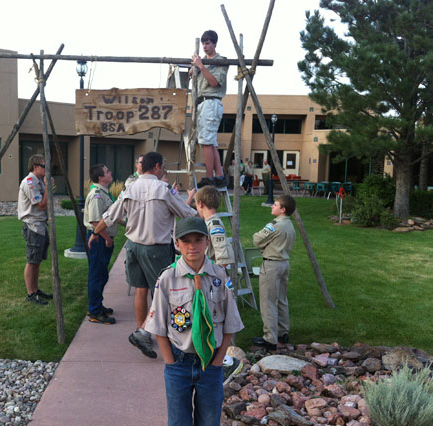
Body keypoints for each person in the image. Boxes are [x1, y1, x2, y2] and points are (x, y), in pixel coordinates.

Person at [89, 151, 197, 359]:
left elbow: (110, 215)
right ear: (156, 167)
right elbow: (186, 213)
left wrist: (95, 232)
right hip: (156, 249)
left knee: (140, 289)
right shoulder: (164, 189)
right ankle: (153, 333)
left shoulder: (130, 188)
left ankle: (143, 332)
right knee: (164, 294)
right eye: (163, 165)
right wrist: (203, 215)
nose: (164, 169)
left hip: (133, 247)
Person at [145, 217, 244, 425]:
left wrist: (218, 361)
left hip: (211, 362)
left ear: (207, 242)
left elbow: (231, 323)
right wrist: (169, 361)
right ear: (177, 244)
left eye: (198, 240)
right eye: (186, 241)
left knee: (209, 420)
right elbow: (159, 326)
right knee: (178, 421)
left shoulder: (219, 276)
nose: (192, 246)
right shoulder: (167, 278)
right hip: (179, 363)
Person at [251, 195, 297, 350]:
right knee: (282, 299)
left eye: (275, 205)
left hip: (271, 265)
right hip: (284, 263)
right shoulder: (290, 225)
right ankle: (283, 332)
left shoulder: (275, 225)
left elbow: (257, 239)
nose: (272, 206)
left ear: (282, 209)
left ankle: (270, 338)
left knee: (268, 301)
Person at [190, 30, 229, 188]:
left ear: (214, 44)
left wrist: (201, 66)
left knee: (206, 141)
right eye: (203, 43)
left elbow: (214, 82)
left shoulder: (221, 61)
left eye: (208, 43)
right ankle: (218, 175)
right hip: (202, 102)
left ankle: (210, 177)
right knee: (210, 142)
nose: (205, 46)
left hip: (211, 101)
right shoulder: (201, 61)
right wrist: (195, 69)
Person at [18, 154, 54, 305]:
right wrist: (47, 187)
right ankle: (30, 293)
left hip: (39, 225)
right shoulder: (30, 182)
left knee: (37, 260)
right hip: (33, 225)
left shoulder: (38, 180)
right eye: (44, 166)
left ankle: (35, 289)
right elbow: (41, 205)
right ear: (35, 167)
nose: (47, 169)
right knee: (32, 261)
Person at [84, 164, 117, 325]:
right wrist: (107, 238)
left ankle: (97, 305)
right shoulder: (97, 194)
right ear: (100, 178)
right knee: (96, 275)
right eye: (107, 171)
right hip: (99, 239)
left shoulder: (104, 193)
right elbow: (96, 221)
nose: (110, 173)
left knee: (102, 274)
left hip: (102, 238)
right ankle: (94, 311)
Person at [194, 186, 235, 268]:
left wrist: (216, 276)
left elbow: (223, 255)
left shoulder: (214, 225)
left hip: (213, 273)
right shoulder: (208, 222)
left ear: (200, 203)